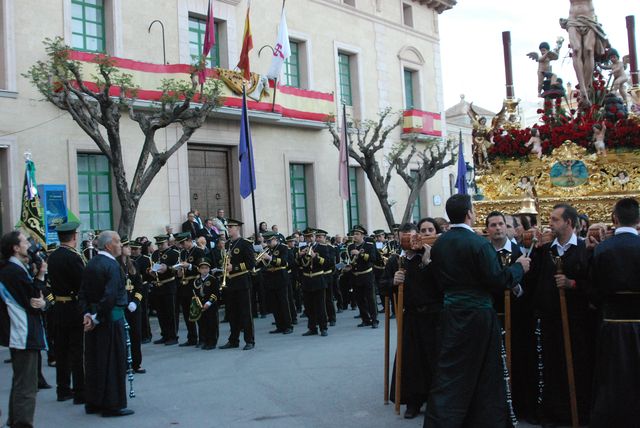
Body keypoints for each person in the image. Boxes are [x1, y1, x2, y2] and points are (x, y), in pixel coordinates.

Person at [425, 194, 529, 427]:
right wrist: (518, 268)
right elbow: (497, 280)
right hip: (478, 316)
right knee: (485, 372)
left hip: (451, 314)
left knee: (450, 372)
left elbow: (436, 278)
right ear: (470, 213)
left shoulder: (440, 243)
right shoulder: (479, 243)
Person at [527, 203, 593, 426]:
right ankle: (554, 413)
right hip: (550, 320)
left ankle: (578, 412)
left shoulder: (585, 250)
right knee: (552, 367)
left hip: (577, 322)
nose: (550, 223)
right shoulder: (545, 251)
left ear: (569, 223)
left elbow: (594, 285)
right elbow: (534, 283)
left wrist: (571, 283)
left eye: (555, 219)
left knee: (577, 366)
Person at [589, 198, 640, 427]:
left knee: (614, 377)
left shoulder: (602, 249)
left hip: (612, 323)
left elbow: (594, 289)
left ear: (614, 218)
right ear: (638, 220)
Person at [389, 219, 442, 419]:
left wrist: (428, 261)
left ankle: (435, 400)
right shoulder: (397, 260)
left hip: (434, 316)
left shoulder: (434, 256)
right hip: (411, 317)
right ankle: (413, 402)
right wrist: (393, 282)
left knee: (433, 359)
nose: (416, 239)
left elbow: (442, 283)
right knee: (411, 361)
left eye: (429, 230)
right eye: (422, 231)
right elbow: (384, 284)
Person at [79, 231, 134, 417]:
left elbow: (83, 293)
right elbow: (110, 296)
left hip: (95, 320)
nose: (120, 245)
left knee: (95, 361)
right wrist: (95, 318)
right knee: (113, 362)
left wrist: (88, 314)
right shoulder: (112, 265)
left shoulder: (91, 263)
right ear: (109, 245)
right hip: (109, 320)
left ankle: (94, 402)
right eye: (118, 241)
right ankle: (112, 404)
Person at [0, 231, 48, 428]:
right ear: (15, 248)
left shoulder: (16, 269)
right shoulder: (14, 271)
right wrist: (41, 275)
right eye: (25, 242)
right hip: (23, 331)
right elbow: (32, 301)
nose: (29, 245)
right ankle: (22, 423)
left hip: (22, 331)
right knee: (28, 385)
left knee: (20, 381)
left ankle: (14, 420)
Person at [46, 221, 86, 404]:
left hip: (58, 308)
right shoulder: (73, 257)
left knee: (61, 350)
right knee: (77, 350)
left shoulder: (53, 257)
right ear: (74, 237)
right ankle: (79, 391)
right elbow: (82, 283)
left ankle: (62, 389)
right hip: (73, 308)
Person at [560, 0, 609, 108]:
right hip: (573, 19)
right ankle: (583, 89)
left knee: (589, 50)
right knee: (576, 49)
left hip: (589, 19)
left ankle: (585, 89)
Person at [219, 219, 256, 351]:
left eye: (231, 227)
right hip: (230, 282)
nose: (228, 229)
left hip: (242, 281)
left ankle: (249, 340)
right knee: (232, 313)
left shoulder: (245, 243)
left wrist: (233, 267)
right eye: (228, 227)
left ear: (237, 228)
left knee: (245, 312)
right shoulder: (228, 243)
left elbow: (251, 264)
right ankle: (233, 340)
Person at [119, 237, 145, 374]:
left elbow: (139, 287)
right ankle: (123, 364)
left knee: (136, 335)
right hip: (122, 306)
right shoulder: (116, 265)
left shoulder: (134, 264)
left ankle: (136, 363)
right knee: (122, 337)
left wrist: (135, 302)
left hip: (134, 306)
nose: (129, 248)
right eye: (126, 246)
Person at [259, 231, 293, 334]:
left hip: (281, 277)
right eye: (266, 241)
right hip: (270, 279)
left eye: (269, 241)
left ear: (275, 239)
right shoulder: (267, 250)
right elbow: (263, 265)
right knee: (274, 304)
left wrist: (269, 258)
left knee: (283, 303)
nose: (268, 243)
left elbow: (283, 262)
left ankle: (288, 326)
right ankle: (279, 326)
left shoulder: (283, 248)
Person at [344, 225, 378, 328]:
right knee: (359, 299)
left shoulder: (368, 245)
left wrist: (360, 254)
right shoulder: (350, 246)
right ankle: (365, 319)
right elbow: (349, 260)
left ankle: (374, 320)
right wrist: (348, 267)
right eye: (354, 234)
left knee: (370, 299)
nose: (355, 236)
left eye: (357, 234)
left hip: (366, 275)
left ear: (362, 235)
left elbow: (373, 258)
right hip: (355, 276)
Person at [176, 233, 205, 347]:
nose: (182, 245)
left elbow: (203, 268)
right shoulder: (182, 253)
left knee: (197, 310)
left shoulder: (199, 251)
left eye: (183, 242)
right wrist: (179, 270)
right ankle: (192, 337)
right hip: (184, 284)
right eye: (180, 243)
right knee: (187, 312)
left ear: (189, 240)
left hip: (194, 284)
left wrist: (189, 266)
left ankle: (202, 338)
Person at [298, 228, 329, 337]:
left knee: (320, 306)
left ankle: (323, 328)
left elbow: (327, 263)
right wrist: (300, 255)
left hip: (318, 279)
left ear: (315, 236)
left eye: (311, 236)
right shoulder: (302, 248)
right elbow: (298, 264)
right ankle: (312, 328)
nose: (309, 238)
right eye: (307, 237)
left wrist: (315, 256)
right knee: (309, 307)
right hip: (307, 280)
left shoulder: (322, 247)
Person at [150, 235, 180, 346]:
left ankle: (173, 336)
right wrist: (151, 271)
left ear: (167, 242)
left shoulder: (174, 253)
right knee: (161, 312)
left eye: (162, 244)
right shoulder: (154, 254)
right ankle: (165, 334)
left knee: (171, 312)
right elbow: (152, 265)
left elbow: (178, 268)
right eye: (158, 244)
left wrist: (168, 268)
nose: (160, 246)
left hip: (169, 284)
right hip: (158, 285)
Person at [193, 259, 220, 350]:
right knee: (203, 324)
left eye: (206, 268)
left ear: (209, 269)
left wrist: (209, 302)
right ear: (199, 270)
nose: (204, 270)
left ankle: (212, 342)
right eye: (202, 268)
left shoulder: (212, 279)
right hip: (200, 305)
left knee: (212, 324)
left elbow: (216, 292)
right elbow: (195, 293)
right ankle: (206, 341)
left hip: (210, 305)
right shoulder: (197, 280)